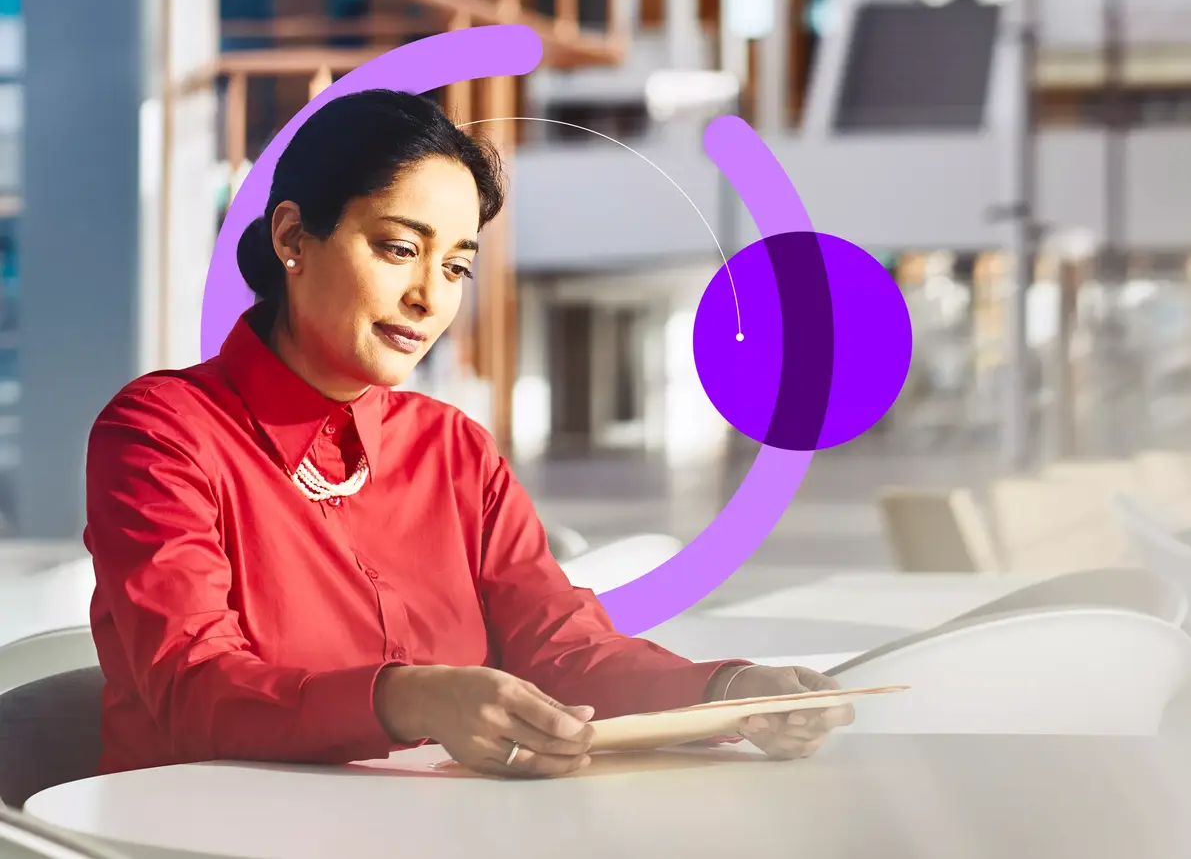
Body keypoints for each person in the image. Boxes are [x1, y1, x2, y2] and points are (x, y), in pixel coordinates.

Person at [83, 89, 852, 779]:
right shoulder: (162, 434)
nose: (427, 298)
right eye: (397, 249)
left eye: (456, 268)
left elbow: (561, 647)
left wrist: (726, 692)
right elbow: (196, 688)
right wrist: (409, 698)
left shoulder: (453, 449)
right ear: (293, 237)